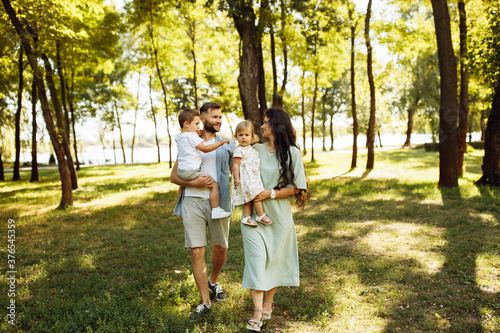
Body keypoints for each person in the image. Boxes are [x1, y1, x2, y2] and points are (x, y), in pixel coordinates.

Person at [241, 108, 309, 331]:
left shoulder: (292, 153)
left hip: (278, 216)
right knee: (256, 260)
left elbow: (297, 187)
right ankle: (257, 311)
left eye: (266, 123)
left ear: (278, 126)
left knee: (275, 260)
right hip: (253, 217)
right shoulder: (254, 149)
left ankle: (269, 302)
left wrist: (269, 193)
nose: (261, 127)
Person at [171, 102, 235, 320]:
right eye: (214, 117)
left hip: (220, 202)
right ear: (203, 118)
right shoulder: (189, 140)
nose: (218, 121)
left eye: (220, 117)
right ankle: (205, 301)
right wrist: (196, 183)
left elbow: (243, 164)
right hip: (192, 201)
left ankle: (213, 282)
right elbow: (174, 176)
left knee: (220, 248)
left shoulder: (227, 144)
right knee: (197, 251)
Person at [175, 108, 231, 219]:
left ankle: (179, 208)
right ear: (186, 124)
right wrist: (221, 142)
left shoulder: (179, 137)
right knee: (214, 185)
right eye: (196, 124)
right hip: (192, 171)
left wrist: (196, 134)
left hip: (181, 171)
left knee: (182, 187)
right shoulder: (192, 136)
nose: (198, 127)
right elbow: (204, 149)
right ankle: (216, 210)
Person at [231, 120, 273, 227]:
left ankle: (247, 217)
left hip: (253, 178)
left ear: (252, 136)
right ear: (236, 137)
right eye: (240, 135)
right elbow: (235, 165)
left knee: (249, 198)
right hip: (245, 179)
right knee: (255, 195)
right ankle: (260, 215)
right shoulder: (239, 150)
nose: (243, 137)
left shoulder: (252, 149)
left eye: (246, 135)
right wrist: (236, 178)